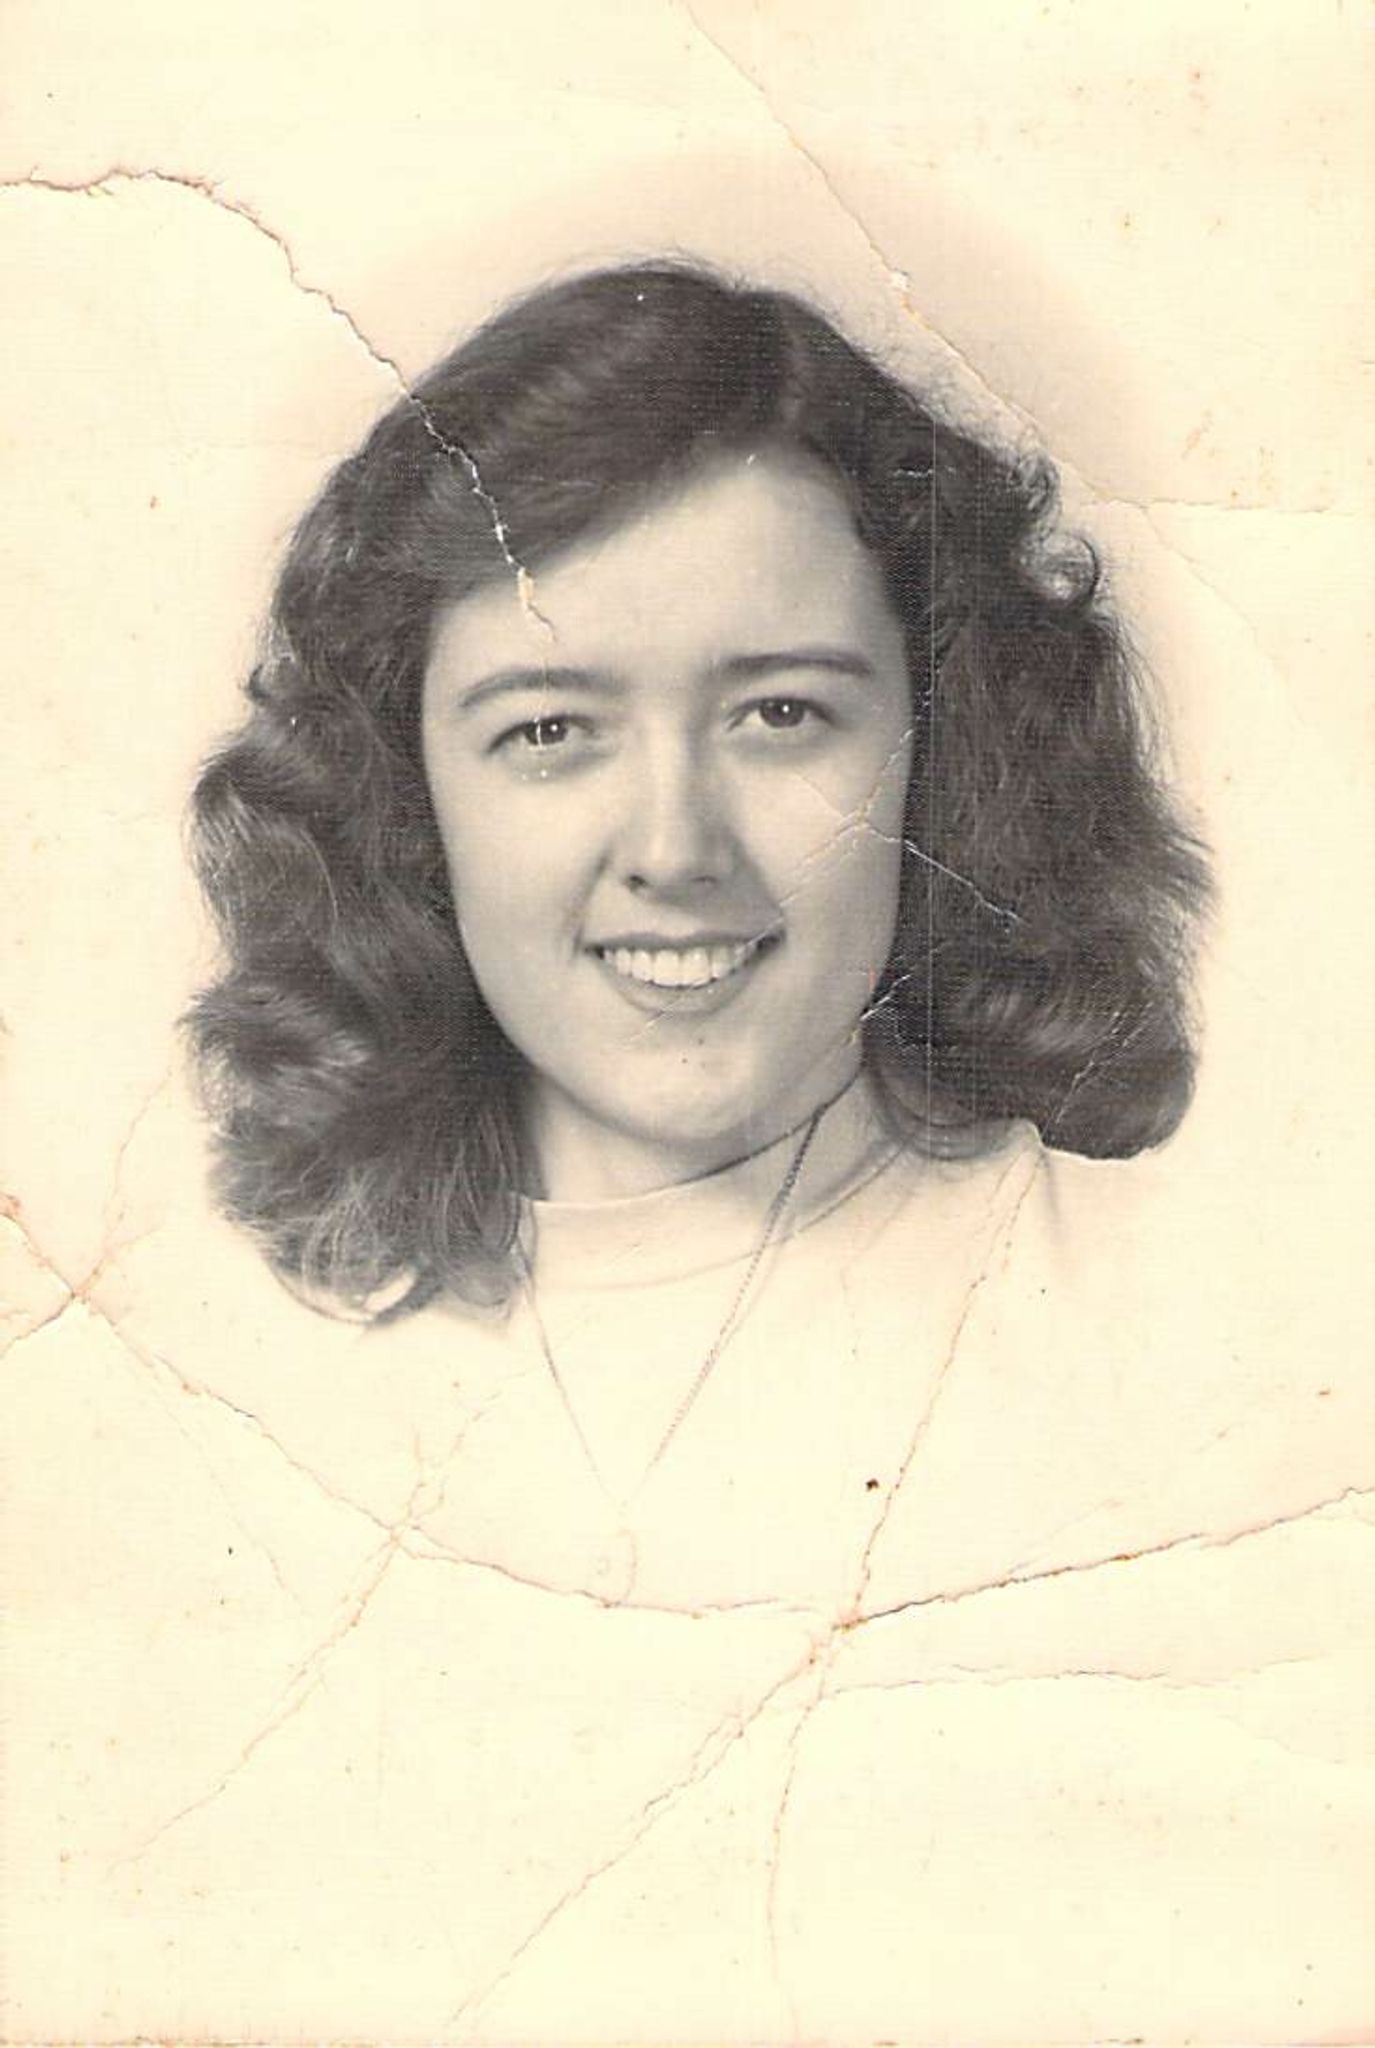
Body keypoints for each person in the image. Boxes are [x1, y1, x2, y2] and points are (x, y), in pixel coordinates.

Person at [82, 264, 1365, 2040]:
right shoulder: (201, 1407)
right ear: (405, 796)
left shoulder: (1198, 1355)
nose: (675, 849)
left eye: (780, 715)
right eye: (550, 732)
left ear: (940, 754)